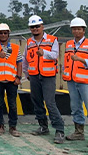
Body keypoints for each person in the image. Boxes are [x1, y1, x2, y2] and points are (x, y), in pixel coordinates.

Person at [24, 15, 65, 144]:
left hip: (48, 76)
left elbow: (55, 55)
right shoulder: (29, 42)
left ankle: (59, 130)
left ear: (42, 27)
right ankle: (43, 126)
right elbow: (26, 60)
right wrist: (27, 74)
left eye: (37, 26)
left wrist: (44, 53)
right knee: (37, 101)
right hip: (34, 76)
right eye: (32, 27)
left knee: (50, 103)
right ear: (30, 29)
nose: (35, 29)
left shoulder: (52, 40)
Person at [0, 23, 21, 137]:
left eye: (5, 33)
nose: (3, 35)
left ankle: (13, 126)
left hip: (11, 81)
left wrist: (18, 77)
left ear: (8, 34)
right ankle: (0, 125)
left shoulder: (15, 48)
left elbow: (19, 63)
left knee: (13, 104)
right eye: (1, 33)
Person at [63, 17, 88, 147]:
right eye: (74, 29)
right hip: (72, 80)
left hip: (86, 82)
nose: (76, 31)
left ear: (84, 30)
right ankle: (79, 132)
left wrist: (81, 59)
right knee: (75, 107)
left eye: (79, 29)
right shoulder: (68, 44)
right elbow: (66, 61)